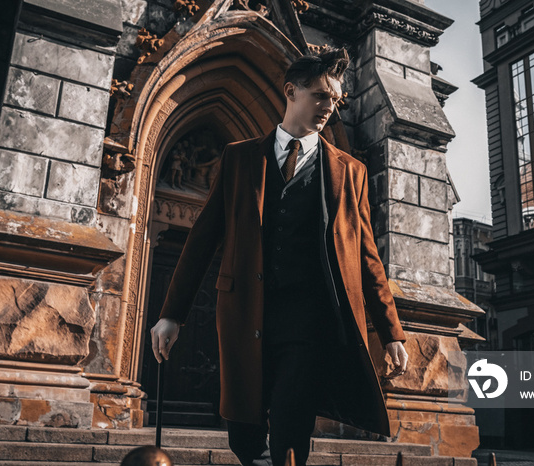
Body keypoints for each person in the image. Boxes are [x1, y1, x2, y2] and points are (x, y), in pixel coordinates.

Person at [150, 47, 408, 466]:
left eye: (336, 99)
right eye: (322, 95)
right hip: (245, 315)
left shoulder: (349, 171)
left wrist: (391, 331)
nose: (330, 107)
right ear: (292, 91)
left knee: (291, 431)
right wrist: (171, 314)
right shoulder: (239, 157)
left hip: (311, 325)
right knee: (245, 437)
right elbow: (202, 239)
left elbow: (367, 256)